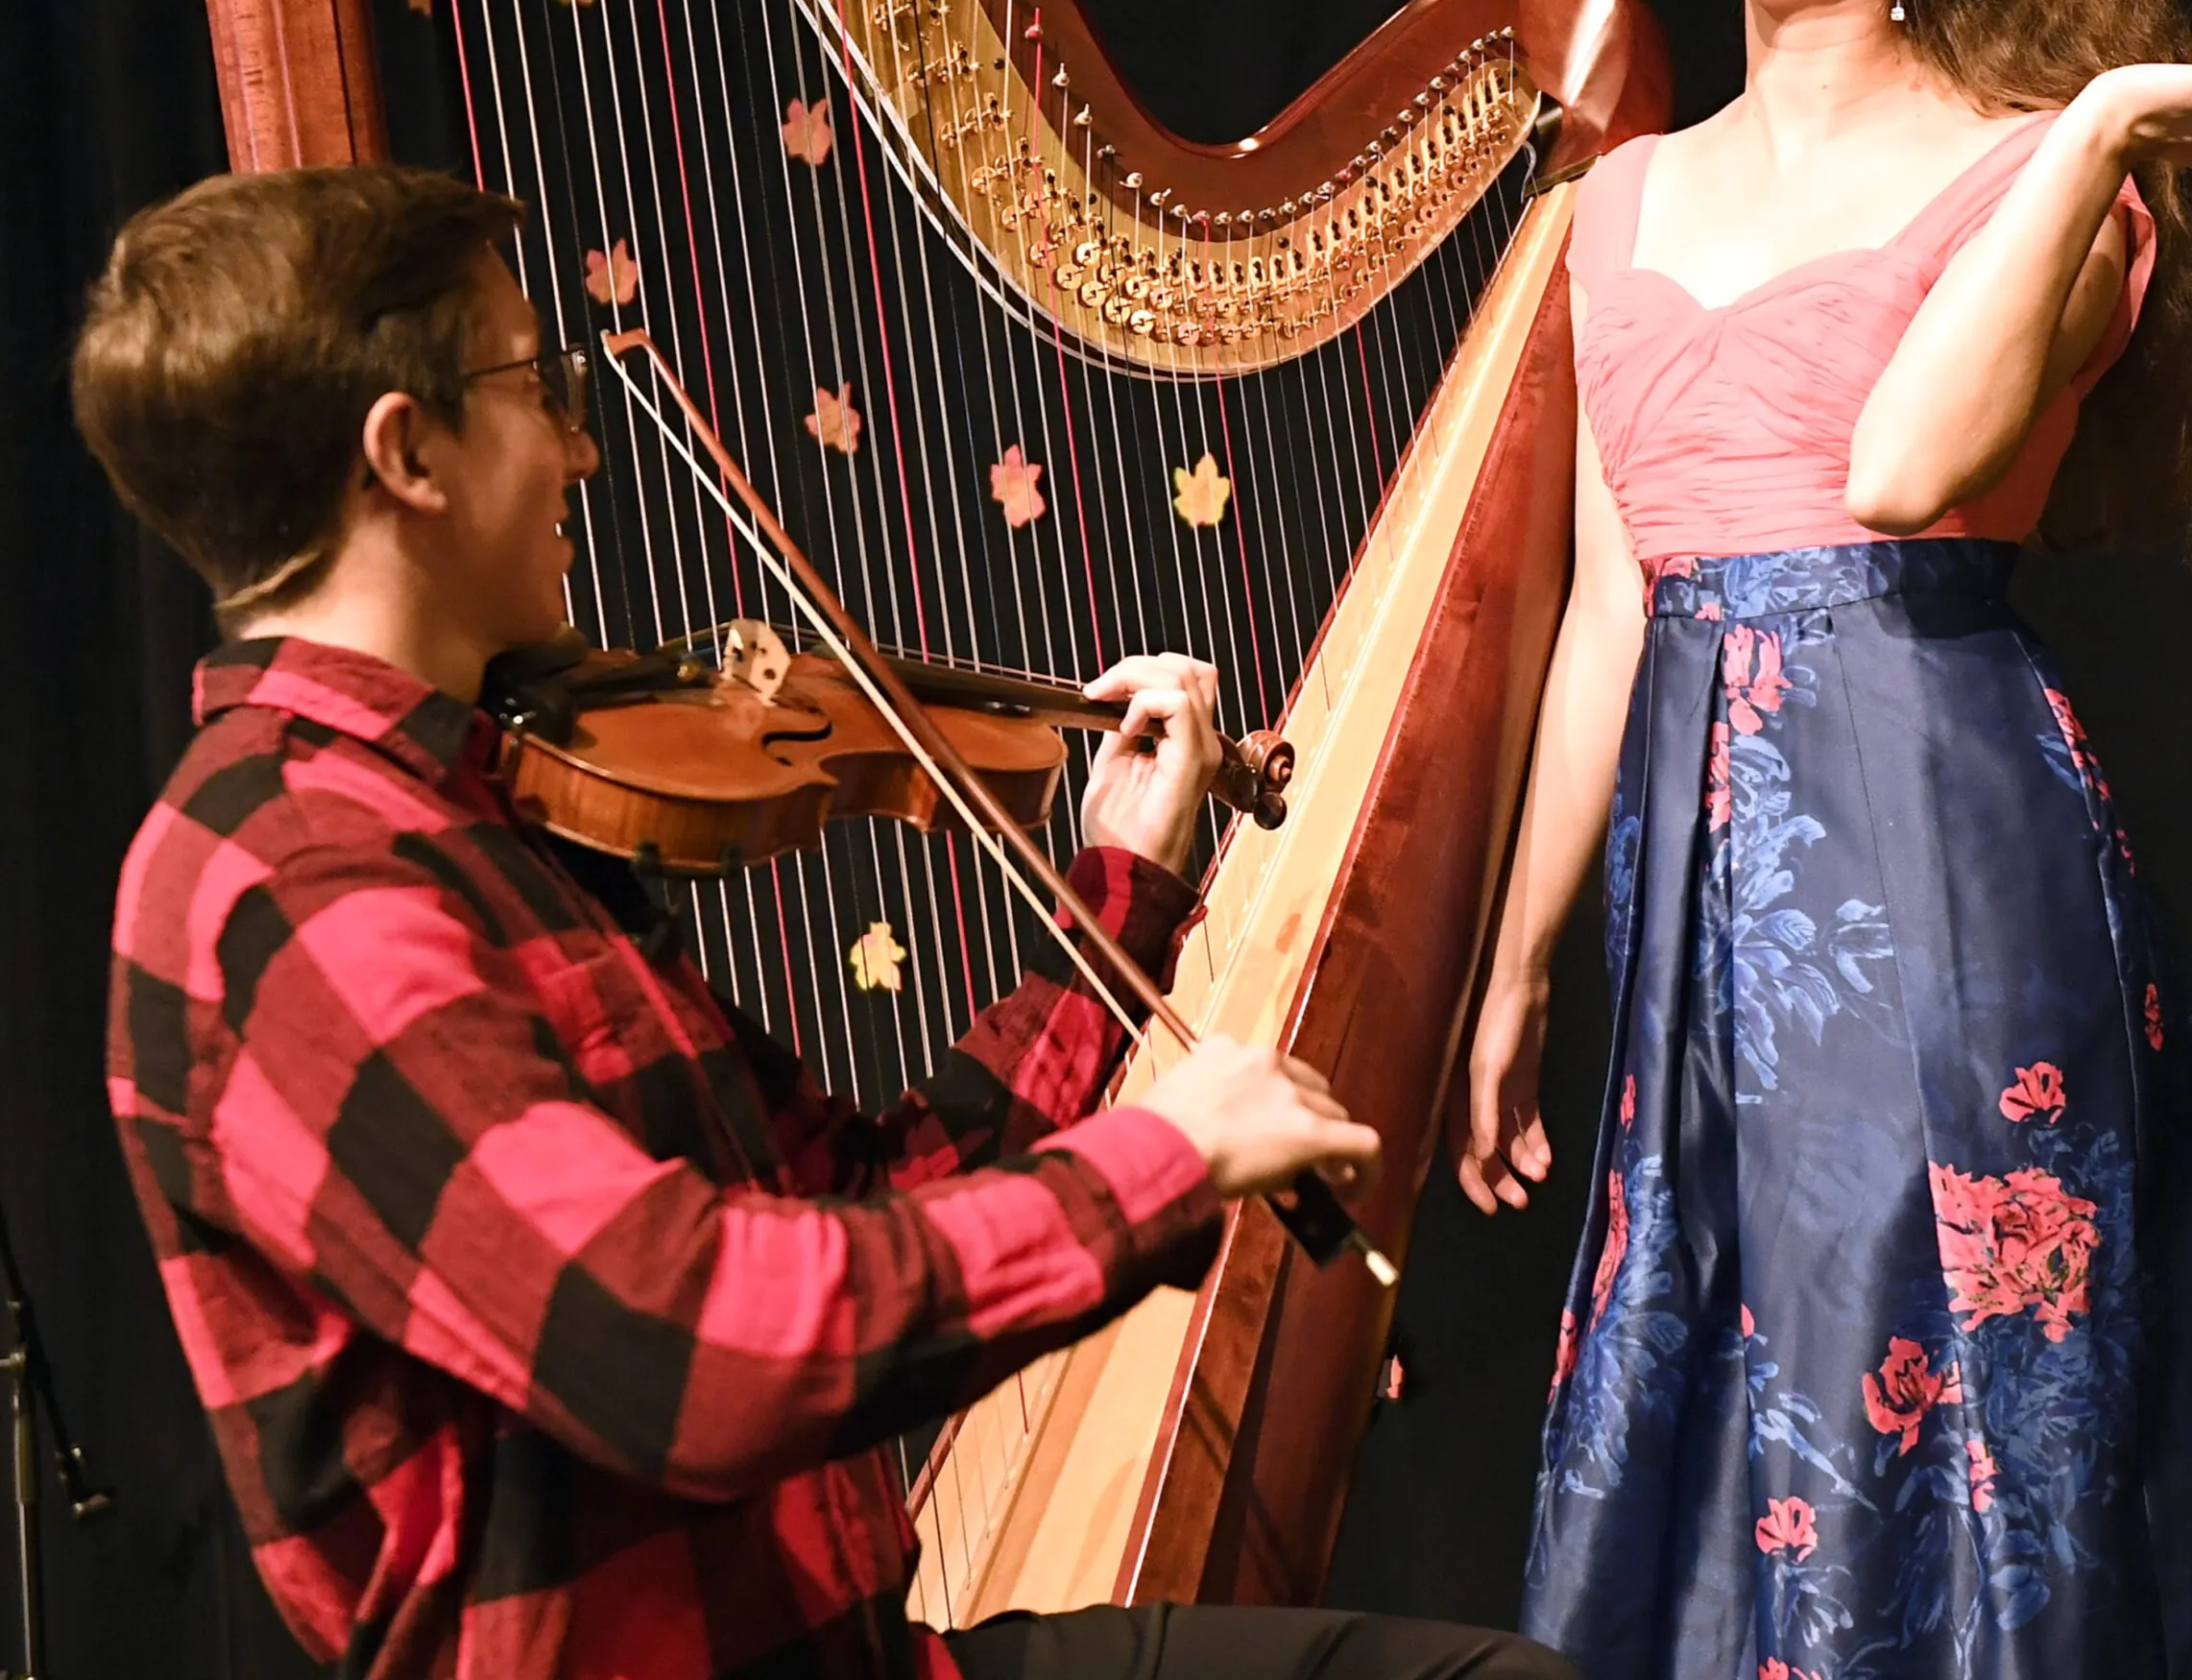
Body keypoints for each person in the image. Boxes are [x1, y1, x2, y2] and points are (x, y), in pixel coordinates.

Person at [74, 162, 1572, 1680]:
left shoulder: (474, 814)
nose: (584, 447)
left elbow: (863, 1188)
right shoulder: (292, 882)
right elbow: (680, 1346)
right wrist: (1165, 1164)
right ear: (409, 455)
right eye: (536, 387)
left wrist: (1120, 886)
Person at [1454, 0, 2192, 1678]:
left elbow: (1898, 471)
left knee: (1945, 1358)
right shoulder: (1610, 208)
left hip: (1930, 838)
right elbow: (1616, 604)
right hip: (1696, 884)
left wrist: (2094, 134)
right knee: (1730, 1362)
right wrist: (1519, 960)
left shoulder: (2043, 182)